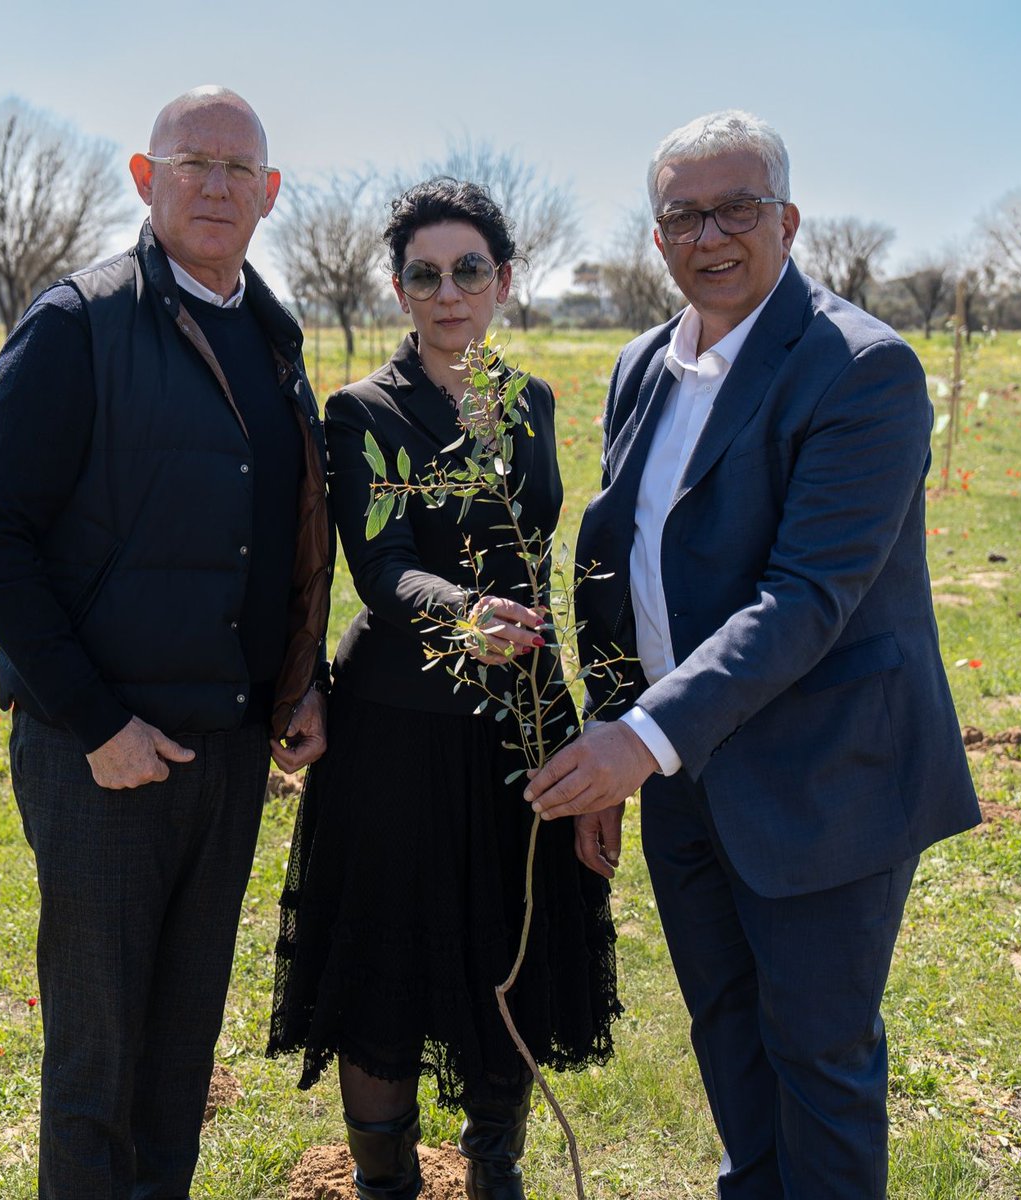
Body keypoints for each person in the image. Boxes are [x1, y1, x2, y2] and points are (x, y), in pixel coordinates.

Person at [524, 111, 981, 1198]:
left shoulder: (859, 368)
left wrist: (640, 741)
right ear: (657, 238)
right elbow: (624, 560)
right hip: (688, 776)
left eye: (736, 209)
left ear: (788, 219)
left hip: (824, 776)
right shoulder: (643, 364)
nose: (710, 235)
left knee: (818, 1060)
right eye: (683, 216)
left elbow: (807, 596)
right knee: (728, 1034)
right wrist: (620, 741)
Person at [0, 86, 332, 1199]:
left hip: (227, 752)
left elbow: (287, 533)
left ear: (270, 194)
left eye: (238, 168)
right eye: (192, 162)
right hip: (103, 760)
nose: (216, 185)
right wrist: (97, 722)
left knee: (178, 1052)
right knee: (97, 1059)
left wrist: (297, 682)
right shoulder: (78, 323)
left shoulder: (275, 337)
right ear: (144, 177)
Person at [268, 178, 620, 1200]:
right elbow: (381, 566)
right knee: (387, 964)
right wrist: (465, 612)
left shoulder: (532, 402)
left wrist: (572, 725)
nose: (449, 292)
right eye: (424, 275)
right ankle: (386, 1185)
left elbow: (537, 560)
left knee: (506, 946)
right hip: (399, 731)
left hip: (519, 724)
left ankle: (494, 1170)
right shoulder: (364, 412)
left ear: (504, 280)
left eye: (469, 270)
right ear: (399, 290)